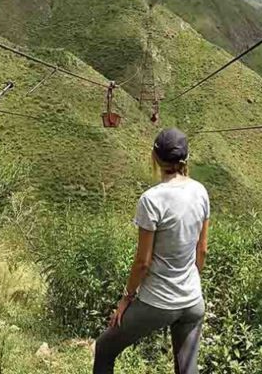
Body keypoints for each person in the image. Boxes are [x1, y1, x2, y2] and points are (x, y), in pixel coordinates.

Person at [93, 128, 210, 374]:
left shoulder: (151, 200)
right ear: (185, 159)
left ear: (155, 158)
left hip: (158, 302)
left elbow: (143, 263)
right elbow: (202, 250)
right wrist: (189, 281)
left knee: (105, 348)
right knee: (187, 369)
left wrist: (126, 298)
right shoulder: (200, 191)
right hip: (192, 300)